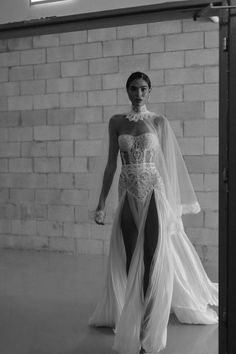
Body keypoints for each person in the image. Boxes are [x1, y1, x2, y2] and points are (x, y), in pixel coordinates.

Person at [89, 72, 218, 354]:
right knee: (128, 257)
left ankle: (148, 325)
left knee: (150, 256)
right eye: (134, 89)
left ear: (150, 92)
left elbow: (169, 166)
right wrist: (101, 203)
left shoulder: (159, 122)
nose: (138, 94)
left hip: (154, 193)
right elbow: (112, 164)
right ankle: (130, 314)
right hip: (126, 194)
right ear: (127, 91)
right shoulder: (116, 122)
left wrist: (173, 208)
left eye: (143, 89)